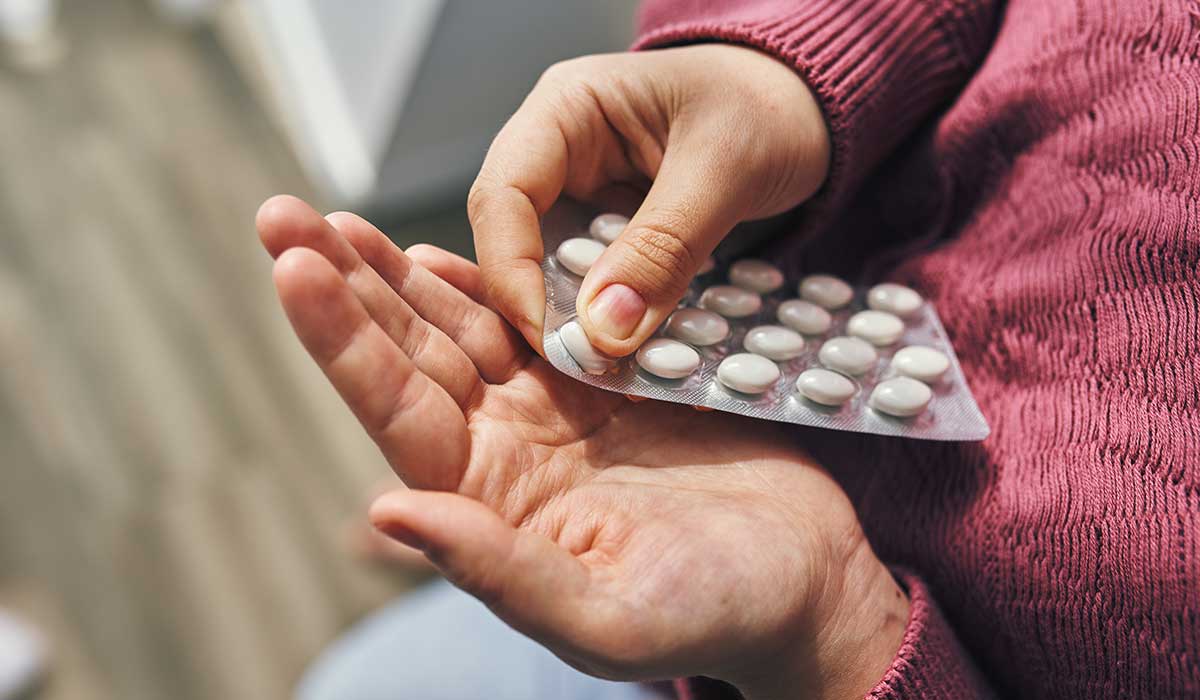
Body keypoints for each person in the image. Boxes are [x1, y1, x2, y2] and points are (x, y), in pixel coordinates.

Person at [263, 0, 1200, 698]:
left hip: (782, 624)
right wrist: (786, 64)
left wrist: (832, 642)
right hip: (662, 434)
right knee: (454, 572)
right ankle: (476, 559)